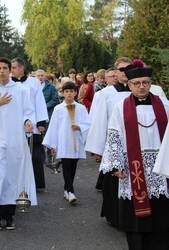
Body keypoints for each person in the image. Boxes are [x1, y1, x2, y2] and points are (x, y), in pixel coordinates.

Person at [86, 57, 166, 227]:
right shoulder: (117, 102)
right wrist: (114, 163)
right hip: (132, 161)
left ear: (150, 84)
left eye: (145, 82)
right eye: (137, 83)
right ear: (130, 85)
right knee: (132, 207)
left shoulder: (163, 104)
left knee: (161, 211)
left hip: (160, 163)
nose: (141, 86)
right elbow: (113, 133)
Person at [0, 57, 37, 231]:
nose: (2, 71)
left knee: (13, 175)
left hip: (16, 139)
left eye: (5, 68)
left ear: (10, 70)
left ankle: (10, 215)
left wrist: (27, 120)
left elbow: (28, 111)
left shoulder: (19, 90)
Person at [42, 81, 90, 204]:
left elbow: (88, 123)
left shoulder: (81, 108)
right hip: (63, 141)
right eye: (66, 91)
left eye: (71, 91)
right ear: (62, 93)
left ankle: (67, 188)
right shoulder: (58, 109)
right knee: (66, 165)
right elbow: (54, 127)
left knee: (73, 166)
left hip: (76, 141)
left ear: (75, 92)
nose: (69, 94)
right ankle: (70, 191)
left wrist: (79, 127)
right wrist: (53, 145)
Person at [11, 58, 49, 189]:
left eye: (14, 67)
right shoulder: (9, 83)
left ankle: (36, 183)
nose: (12, 70)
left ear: (22, 68)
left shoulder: (34, 82)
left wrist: (41, 122)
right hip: (16, 123)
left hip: (32, 122)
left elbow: (39, 101)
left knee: (35, 154)